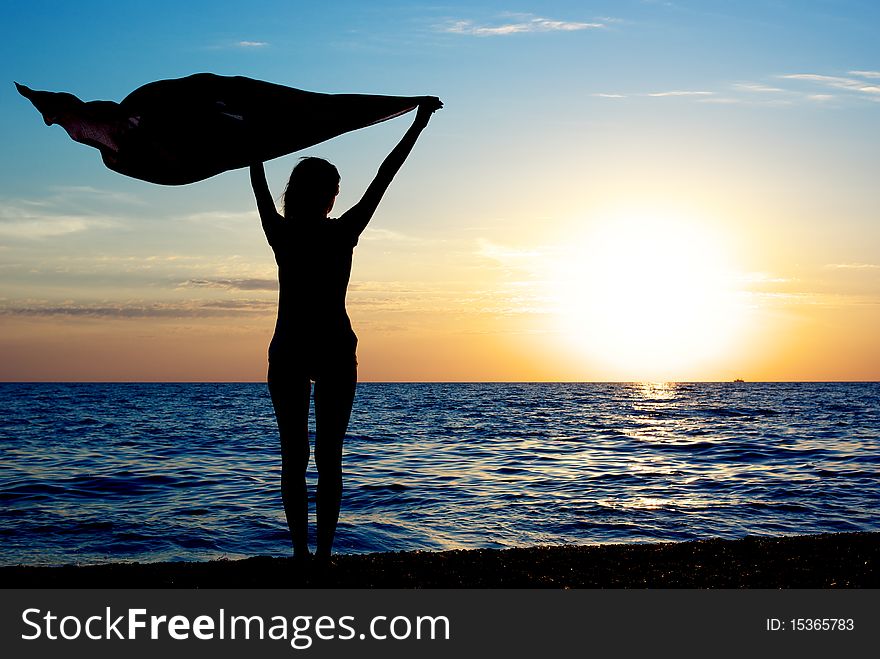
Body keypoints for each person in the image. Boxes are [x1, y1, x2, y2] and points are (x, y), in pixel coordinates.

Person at [250, 96, 442, 565]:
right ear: (323, 192)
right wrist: (416, 126)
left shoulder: (283, 231)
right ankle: (318, 556)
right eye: (334, 187)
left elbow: (256, 174)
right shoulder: (339, 231)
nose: (337, 194)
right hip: (325, 348)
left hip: (301, 348)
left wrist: (250, 138)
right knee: (321, 459)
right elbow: (384, 176)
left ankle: (305, 555)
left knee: (297, 458)